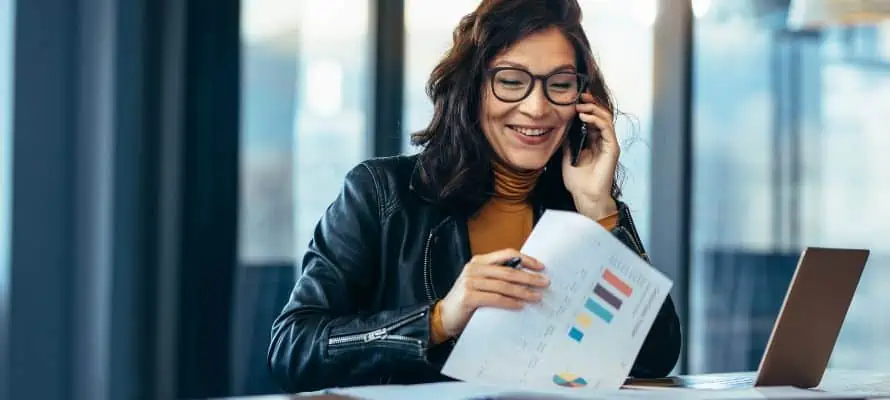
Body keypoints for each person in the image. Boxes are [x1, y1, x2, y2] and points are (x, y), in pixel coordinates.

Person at [267, 0, 681, 393]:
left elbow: (655, 357)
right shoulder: (381, 193)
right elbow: (293, 348)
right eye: (512, 82)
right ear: (473, 88)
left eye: (560, 84)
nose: (537, 108)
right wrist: (438, 320)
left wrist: (600, 211)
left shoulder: (580, 203)